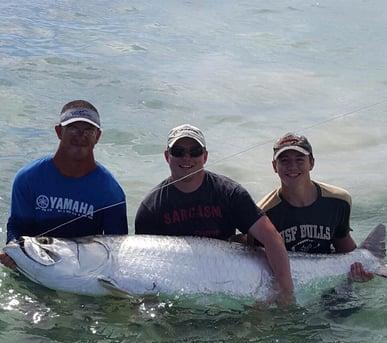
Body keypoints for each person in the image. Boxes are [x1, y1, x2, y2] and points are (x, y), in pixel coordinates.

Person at [135, 124, 295, 304]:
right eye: (178, 151)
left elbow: (271, 238)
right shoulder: (150, 207)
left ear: (205, 156)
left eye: (195, 151)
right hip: (178, 282)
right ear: (167, 156)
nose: (187, 157)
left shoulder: (230, 193)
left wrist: (286, 291)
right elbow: (144, 266)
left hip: (225, 277)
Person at [0, 100, 128, 269]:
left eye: (88, 130)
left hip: (83, 272)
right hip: (35, 266)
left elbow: (116, 251)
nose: (80, 135)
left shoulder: (111, 192)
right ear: (59, 131)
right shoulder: (28, 178)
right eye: (73, 128)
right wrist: (14, 252)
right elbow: (17, 226)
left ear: (98, 136)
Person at [257, 132, 373, 282]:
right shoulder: (263, 213)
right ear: (274, 166)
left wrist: (360, 269)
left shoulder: (339, 200)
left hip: (328, 276)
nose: (292, 167)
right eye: (284, 161)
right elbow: (259, 264)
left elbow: (344, 246)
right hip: (291, 281)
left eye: (300, 160)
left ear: (311, 162)